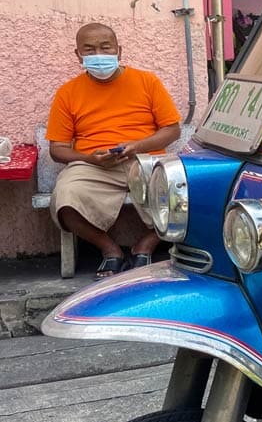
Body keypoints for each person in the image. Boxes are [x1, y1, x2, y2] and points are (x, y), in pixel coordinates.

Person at [46, 23, 181, 277]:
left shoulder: (147, 81)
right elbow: (58, 149)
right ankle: (110, 250)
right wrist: (90, 158)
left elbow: (171, 130)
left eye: (105, 47)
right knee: (65, 198)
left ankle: (147, 243)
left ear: (119, 50)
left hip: (145, 160)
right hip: (94, 166)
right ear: (78, 55)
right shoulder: (68, 93)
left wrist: (137, 146)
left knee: (184, 194)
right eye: (89, 49)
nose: (98, 54)